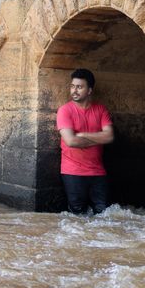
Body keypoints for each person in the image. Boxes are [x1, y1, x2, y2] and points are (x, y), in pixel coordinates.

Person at [56, 68, 115, 214]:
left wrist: (83, 135)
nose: (74, 91)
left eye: (79, 87)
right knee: (77, 215)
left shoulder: (101, 110)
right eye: (72, 86)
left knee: (104, 215)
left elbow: (109, 137)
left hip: (98, 171)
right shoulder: (65, 110)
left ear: (89, 90)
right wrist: (98, 138)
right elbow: (71, 141)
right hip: (72, 171)